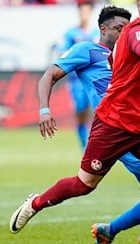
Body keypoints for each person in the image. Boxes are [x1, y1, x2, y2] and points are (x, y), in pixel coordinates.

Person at [9, 1, 140, 244]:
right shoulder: (96, 48)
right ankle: (37, 203)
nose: (123, 32)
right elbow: (50, 73)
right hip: (113, 128)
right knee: (86, 185)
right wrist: (44, 109)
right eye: (117, 28)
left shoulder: (139, 50)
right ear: (103, 29)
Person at [54, 0, 100, 150]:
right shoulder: (71, 33)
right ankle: (84, 146)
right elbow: (61, 54)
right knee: (81, 112)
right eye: (82, 10)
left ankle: (98, 145)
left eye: (87, 10)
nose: (84, 14)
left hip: (95, 80)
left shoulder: (97, 33)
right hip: (76, 81)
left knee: (100, 113)